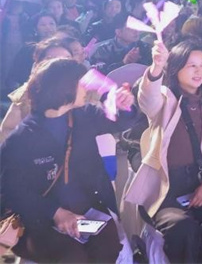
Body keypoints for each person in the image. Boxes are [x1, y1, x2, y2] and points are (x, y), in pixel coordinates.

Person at [0, 57, 138, 262]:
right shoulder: (21, 139)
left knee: (108, 244)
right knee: (72, 257)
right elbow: (12, 191)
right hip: (39, 220)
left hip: (86, 209)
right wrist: (55, 212)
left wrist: (122, 104)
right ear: (64, 87)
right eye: (81, 83)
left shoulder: (83, 115)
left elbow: (119, 123)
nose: (87, 89)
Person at [125, 38, 202, 264]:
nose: (199, 71)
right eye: (191, 65)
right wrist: (157, 67)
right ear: (176, 68)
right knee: (182, 227)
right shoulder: (164, 98)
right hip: (164, 188)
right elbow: (147, 100)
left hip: (200, 180)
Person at [0, 36, 74, 144]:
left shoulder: (84, 92)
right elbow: (7, 131)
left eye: (66, 59)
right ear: (38, 65)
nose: (60, 65)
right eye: (51, 59)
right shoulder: (27, 95)